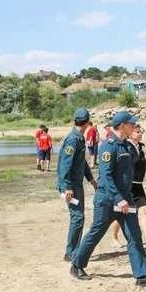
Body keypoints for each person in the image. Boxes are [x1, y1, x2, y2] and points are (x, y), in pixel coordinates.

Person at [69, 111, 146, 288]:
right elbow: (106, 177)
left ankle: (142, 276)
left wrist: (126, 198)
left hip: (126, 200)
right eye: (132, 124)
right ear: (122, 125)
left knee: (135, 236)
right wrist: (119, 199)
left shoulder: (126, 145)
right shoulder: (108, 146)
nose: (135, 126)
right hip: (107, 200)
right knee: (96, 232)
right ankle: (77, 265)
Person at [56, 108, 98, 262]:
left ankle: (73, 250)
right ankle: (71, 252)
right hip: (71, 186)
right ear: (87, 122)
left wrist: (91, 179)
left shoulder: (79, 138)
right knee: (77, 217)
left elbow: (82, 162)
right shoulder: (73, 139)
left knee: (78, 217)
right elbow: (65, 165)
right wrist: (67, 187)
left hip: (75, 185)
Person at [110, 124, 146, 247]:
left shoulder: (140, 147)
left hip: (138, 185)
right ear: (130, 133)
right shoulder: (125, 147)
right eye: (137, 131)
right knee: (121, 213)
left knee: (144, 211)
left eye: (141, 131)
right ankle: (114, 238)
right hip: (127, 185)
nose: (140, 133)